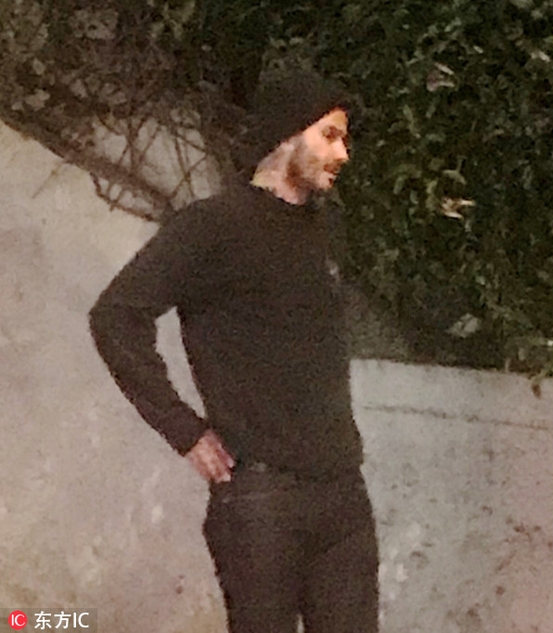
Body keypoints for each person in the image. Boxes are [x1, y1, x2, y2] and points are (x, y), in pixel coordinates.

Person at [89, 70, 379, 633]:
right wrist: (184, 430)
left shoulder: (325, 233)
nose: (343, 153)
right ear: (286, 135)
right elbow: (116, 316)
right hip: (261, 501)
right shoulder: (214, 227)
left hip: (343, 495)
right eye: (329, 135)